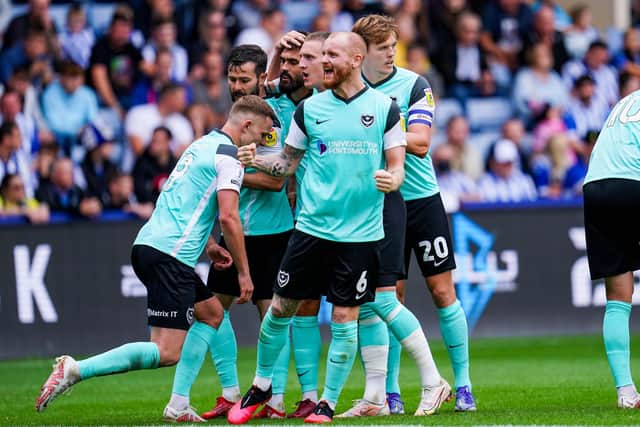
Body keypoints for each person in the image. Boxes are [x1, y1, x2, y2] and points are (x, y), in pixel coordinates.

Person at [34, 95, 276, 421]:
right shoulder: (228, 156)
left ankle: (178, 405)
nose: (260, 144)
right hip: (169, 256)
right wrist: (245, 273)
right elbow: (230, 218)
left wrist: (207, 245)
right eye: (261, 136)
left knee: (212, 314)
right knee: (165, 352)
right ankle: (75, 369)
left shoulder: (199, 146)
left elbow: (181, 200)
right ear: (246, 125)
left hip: (152, 245)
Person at [227, 31, 407, 425]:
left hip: (361, 235)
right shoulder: (311, 110)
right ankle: (261, 384)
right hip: (310, 231)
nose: (322, 61)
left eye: (331, 54)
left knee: (345, 320)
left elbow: (398, 164)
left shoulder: (385, 109)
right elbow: (286, 165)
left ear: (357, 58)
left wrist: (393, 179)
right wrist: (254, 161)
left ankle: (325, 403)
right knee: (279, 308)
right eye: (321, 54)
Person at [352, 14, 476, 416]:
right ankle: (390, 392)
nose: (391, 54)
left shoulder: (415, 85)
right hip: (379, 205)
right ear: (362, 53)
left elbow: (421, 143)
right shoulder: (349, 90)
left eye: (394, 45)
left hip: (421, 199)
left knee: (443, 292)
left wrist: (372, 129)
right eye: (383, 47)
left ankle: (463, 385)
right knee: (391, 297)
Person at [198, 44, 299, 420]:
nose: (237, 86)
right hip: (236, 232)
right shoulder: (232, 118)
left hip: (273, 234)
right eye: (232, 78)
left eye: (245, 79)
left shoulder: (270, 120)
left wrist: (233, 176)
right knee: (211, 313)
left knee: (270, 318)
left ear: (262, 79)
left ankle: (274, 400)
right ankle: (228, 392)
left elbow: (276, 183)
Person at [582, 89, 640, 409]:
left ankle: (626, 392)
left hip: (596, 186)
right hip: (633, 181)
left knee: (618, 298)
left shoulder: (627, 100)